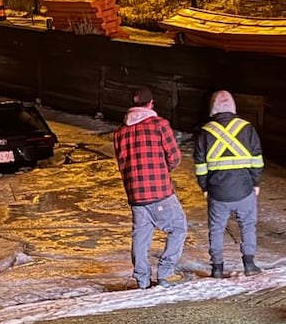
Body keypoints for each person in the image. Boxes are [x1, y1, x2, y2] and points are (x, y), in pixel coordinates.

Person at [113, 87, 188, 289]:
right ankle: (165, 274)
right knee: (178, 228)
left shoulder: (120, 132)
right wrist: (164, 170)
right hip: (159, 191)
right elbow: (174, 157)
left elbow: (122, 164)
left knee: (141, 236)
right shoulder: (159, 125)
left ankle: (142, 280)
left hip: (135, 194)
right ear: (151, 104)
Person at [194, 90, 265, 279]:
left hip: (217, 191)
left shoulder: (205, 132)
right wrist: (255, 182)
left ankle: (217, 268)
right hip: (244, 188)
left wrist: (205, 188)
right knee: (248, 226)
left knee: (216, 229)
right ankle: (249, 264)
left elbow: (200, 165)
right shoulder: (247, 128)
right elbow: (256, 158)